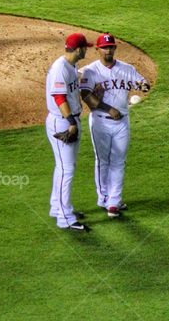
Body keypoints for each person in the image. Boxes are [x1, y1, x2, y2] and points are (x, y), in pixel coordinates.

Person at [80, 33, 151, 217]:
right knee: (103, 161)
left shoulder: (126, 69)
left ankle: (114, 202)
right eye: (104, 47)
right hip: (100, 123)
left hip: (122, 123)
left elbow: (143, 82)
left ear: (115, 48)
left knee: (119, 161)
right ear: (98, 49)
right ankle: (103, 198)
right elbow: (87, 97)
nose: (108, 50)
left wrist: (143, 86)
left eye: (111, 47)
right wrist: (109, 109)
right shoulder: (90, 71)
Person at [46, 33, 92, 232]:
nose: (87, 50)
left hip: (67, 119)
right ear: (79, 49)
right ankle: (65, 218)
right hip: (63, 121)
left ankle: (58, 208)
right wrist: (71, 123)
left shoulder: (70, 66)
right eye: (85, 47)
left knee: (64, 167)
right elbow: (59, 98)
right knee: (67, 169)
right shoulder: (60, 69)